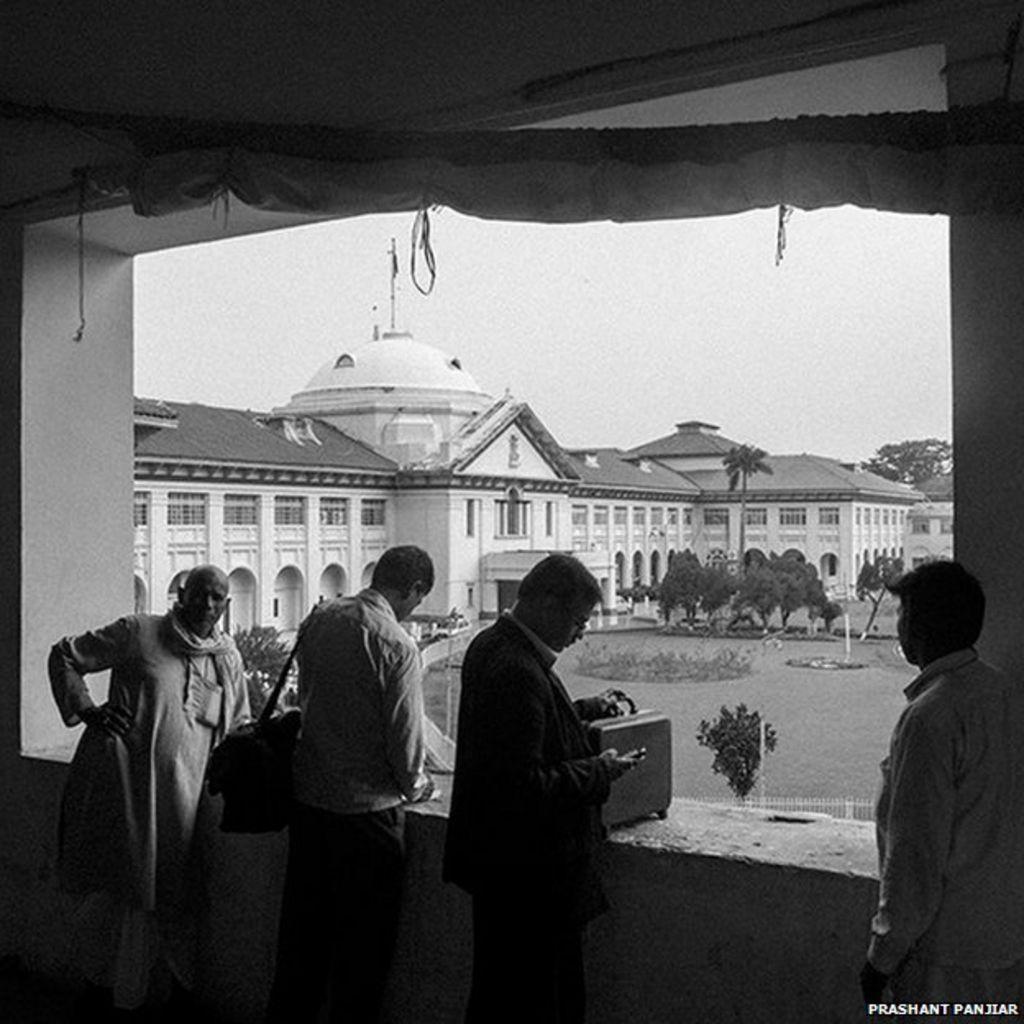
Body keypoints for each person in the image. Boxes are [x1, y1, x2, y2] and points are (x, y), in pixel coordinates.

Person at [443, 553, 644, 1024]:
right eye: (577, 620)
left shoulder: (494, 644)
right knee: (538, 1003)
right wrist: (600, 771)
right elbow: (521, 785)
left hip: (500, 873)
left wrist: (584, 709)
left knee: (499, 995)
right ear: (548, 606)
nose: (580, 633)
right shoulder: (518, 669)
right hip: (530, 883)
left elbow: (525, 730)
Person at [49, 564, 249, 1018]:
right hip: (126, 792)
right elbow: (64, 655)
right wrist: (87, 709)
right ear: (181, 594)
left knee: (176, 899)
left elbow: (237, 726)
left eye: (217, 598)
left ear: (226, 605)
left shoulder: (226, 657)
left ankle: (171, 997)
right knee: (116, 896)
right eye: (198, 595)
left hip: (184, 801)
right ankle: (101, 994)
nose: (207, 605)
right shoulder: (139, 632)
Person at [266, 545, 437, 1024]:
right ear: (414, 590)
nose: (414, 610)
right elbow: (406, 748)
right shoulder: (397, 645)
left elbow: (306, 699)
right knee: (362, 956)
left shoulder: (321, 619)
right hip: (367, 818)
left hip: (311, 804)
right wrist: (419, 786)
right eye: (417, 601)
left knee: (300, 946)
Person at [860, 560, 1024, 1007]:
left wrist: (882, 957)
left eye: (903, 614)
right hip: (1005, 936)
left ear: (922, 625)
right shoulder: (1001, 692)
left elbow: (915, 852)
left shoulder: (932, 716)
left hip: (949, 955)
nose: (898, 626)